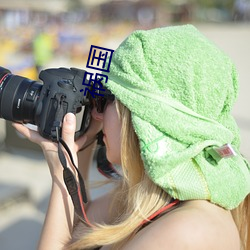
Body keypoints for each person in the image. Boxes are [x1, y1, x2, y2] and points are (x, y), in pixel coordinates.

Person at [13, 24, 250, 250]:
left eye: (108, 99)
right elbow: (76, 232)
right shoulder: (150, 194)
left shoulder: (189, 230)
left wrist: (60, 177)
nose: (97, 112)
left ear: (144, 116)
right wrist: (74, 154)